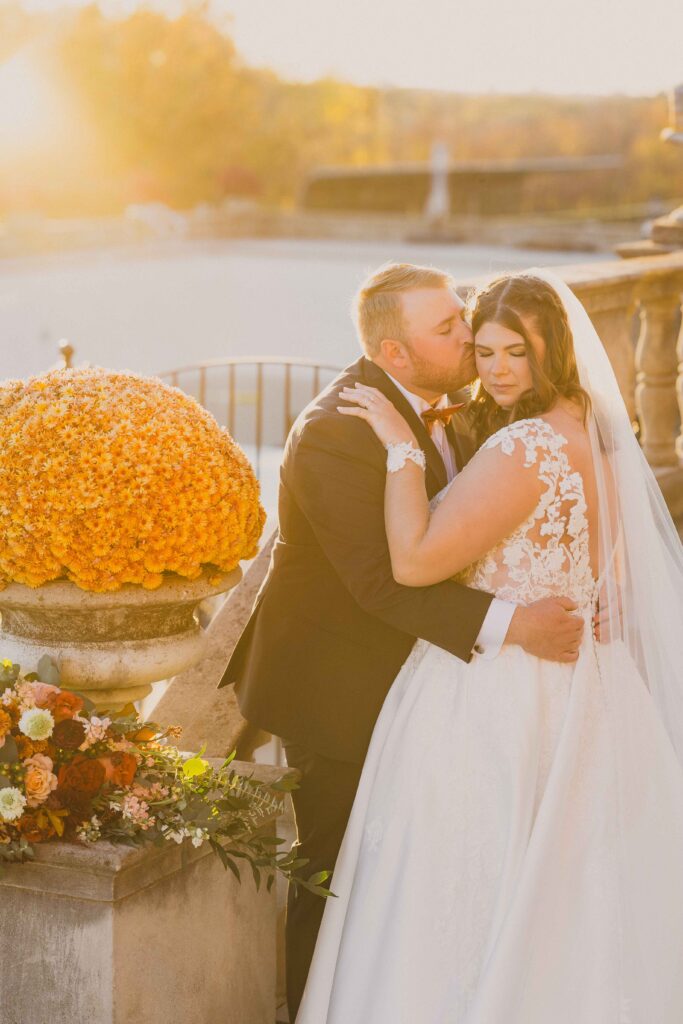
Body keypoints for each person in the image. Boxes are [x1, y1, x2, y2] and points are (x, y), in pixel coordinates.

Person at [295, 269, 683, 1023]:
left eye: (517, 354)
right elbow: (612, 580)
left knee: (473, 883)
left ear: (554, 353)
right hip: (589, 688)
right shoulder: (601, 432)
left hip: (497, 695)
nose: (496, 371)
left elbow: (410, 564)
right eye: (484, 351)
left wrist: (399, 450)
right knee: (577, 887)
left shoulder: (528, 446)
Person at [216, 263, 584, 1021]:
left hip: (426, 686)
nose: (469, 334)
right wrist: (514, 623)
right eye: (449, 330)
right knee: (338, 876)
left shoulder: (469, 411)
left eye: (464, 319)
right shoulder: (336, 432)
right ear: (394, 353)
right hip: (333, 690)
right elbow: (383, 581)